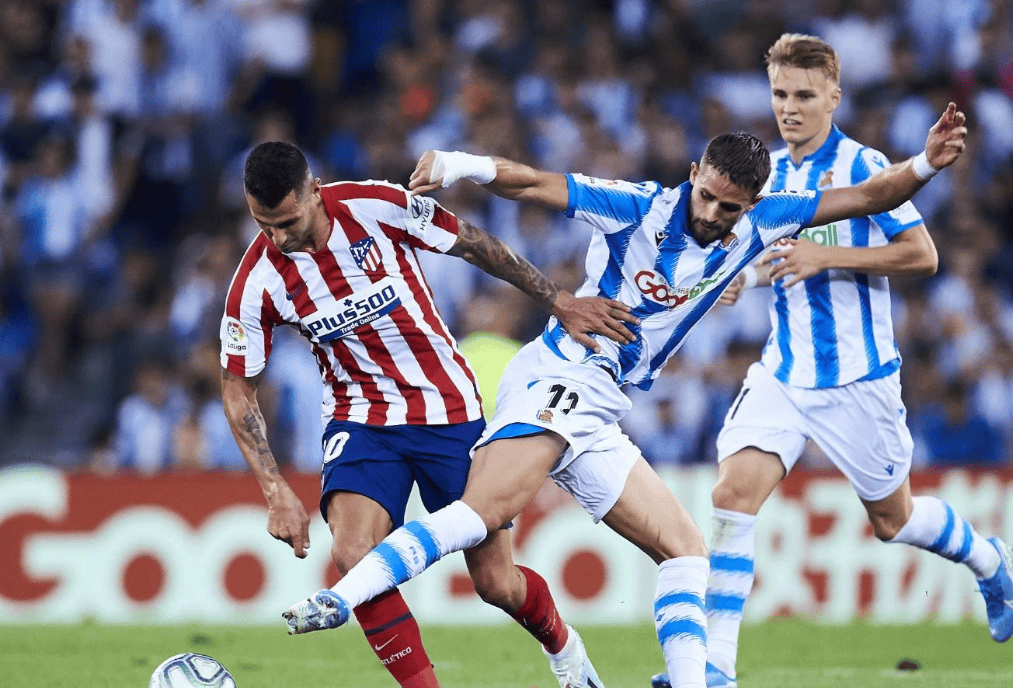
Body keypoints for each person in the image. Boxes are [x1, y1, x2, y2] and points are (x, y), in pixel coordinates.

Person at [281, 100, 967, 688]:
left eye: (729, 208)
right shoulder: (639, 207)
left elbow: (869, 197)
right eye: (706, 195)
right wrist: (461, 163)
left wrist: (926, 164)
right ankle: (344, 597)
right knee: (486, 510)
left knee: (687, 552)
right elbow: (536, 183)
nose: (712, 214)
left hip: (603, 403)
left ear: (752, 205)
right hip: (561, 374)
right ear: (693, 174)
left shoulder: (766, 221)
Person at [652, 34, 1013, 688]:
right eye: (780, 94)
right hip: (783, 372)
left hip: (857, 378)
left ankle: (989, 561)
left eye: (804, 95)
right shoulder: (766, 176)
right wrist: (746, 278)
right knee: (732, 496)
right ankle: (716, 668)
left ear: (833, 97)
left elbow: (922, 255)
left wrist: (830, 256)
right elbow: (773, 258)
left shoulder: (862, 164)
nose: (789, 108)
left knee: (894, 520)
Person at [221, 141, 637, 688]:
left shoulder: (378, 205)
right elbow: (237, 388)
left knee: (497, 583)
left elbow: (473, 244)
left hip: (447, 408)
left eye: (287, 222)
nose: (278, 238)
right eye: (263, 225)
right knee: (353, 555)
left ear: (314, 191)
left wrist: (558, 300)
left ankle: (566, 650)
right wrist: (275, 490)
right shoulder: (256, 282)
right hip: (360, 417)